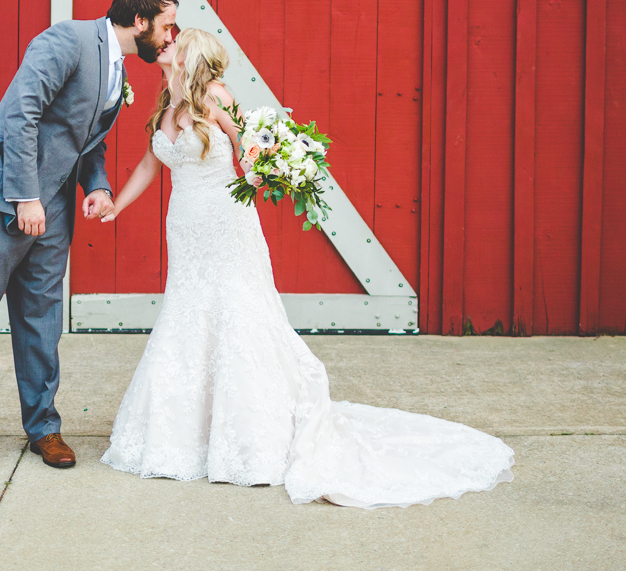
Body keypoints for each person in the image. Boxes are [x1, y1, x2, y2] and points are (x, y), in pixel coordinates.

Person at [99, 28, 515, 508]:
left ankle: (250, 439)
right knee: (189, 313)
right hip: (186, 227)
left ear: (195, 55)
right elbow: (151, 164)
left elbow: (251, 151)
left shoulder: (216, 96)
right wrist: (117, 206)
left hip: (226, 222)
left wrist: (275, 166)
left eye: (177, 40)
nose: (165, 42)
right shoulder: (167, 105)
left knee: (238, 312)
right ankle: (185, 434)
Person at [0, 0, 179, 472]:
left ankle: (43, 427)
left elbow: (86, 140)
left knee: (42, 320)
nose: (172, 36)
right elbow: (22, 115)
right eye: (167, 25)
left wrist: (97, 187)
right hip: (3, 198)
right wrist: (25, 197)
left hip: (55, 209)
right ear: (141, 21)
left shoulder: (117, 66)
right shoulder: (67, 41)